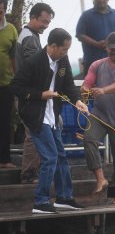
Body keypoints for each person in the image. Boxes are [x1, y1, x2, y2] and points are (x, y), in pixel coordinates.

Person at [11, 28, 88, 214]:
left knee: (61, 155)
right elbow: (16, 87)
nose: (66, 53)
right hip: (35, 115)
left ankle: (64, 197)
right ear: (52, 46)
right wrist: (40, 94)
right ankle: (41, 201)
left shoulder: (62, 61)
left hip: (52, 114)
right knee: (50, 156)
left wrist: (77, 100)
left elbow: (69, 83)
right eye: (64, 49)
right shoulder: (33, 61)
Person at [81, 32, 115, 204]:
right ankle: (100, 178)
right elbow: (87, 82)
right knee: (89, 139)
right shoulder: (97, 65)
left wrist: (103, 90)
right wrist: (84, 90)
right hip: (99, 114)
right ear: (106, 47)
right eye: (112, 49)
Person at [15, 2, 55, 183]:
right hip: (30, 94)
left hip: (28, 92)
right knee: (32, 134)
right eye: (43, 21)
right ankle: (29, 173)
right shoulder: (30, 38)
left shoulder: (27, 35)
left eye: (48, 23)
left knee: (34, 132)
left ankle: (32, 172)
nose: (46, 26)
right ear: (32, 17)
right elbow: (34, 67)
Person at [76, 0, 115, 77]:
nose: (101, 0)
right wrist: (96, 44)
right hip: (92, 62)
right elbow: (80, 35)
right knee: (90, 88)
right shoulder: (86, 16)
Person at [0, 0, 17, 169]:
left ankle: (4, 159)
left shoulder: (11, 29)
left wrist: (16, 80)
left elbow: (14, 57)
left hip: (5, 84)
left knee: (4, 122)